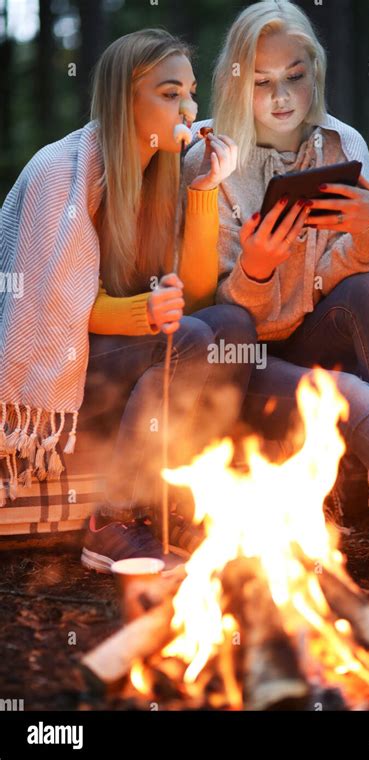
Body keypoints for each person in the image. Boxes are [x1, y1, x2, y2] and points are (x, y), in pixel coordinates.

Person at [184, 0, 369, 579]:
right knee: (349, 395)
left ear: (315, 71)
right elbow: (219, 323)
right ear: (237, 82)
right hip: (244, 368)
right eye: (262, 81)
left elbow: (365, 272)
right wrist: (259, 270)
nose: (281, 96)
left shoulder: (344, 145)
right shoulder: (208, 163)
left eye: (295, 76)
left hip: (319, 334)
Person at [0, 29, 257, 571]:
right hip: (60, 375)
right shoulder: (62, 173)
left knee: (232, 325)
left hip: (118, 365)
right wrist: (144, 315)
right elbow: (53, 308)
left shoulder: (162, 170)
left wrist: (207, 190)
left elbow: (197, 296)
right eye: (169, 94)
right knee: (187, 339)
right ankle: (111, 521)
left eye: (190, 93)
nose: (188, 108)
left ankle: (185, 501)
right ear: (124, 100)